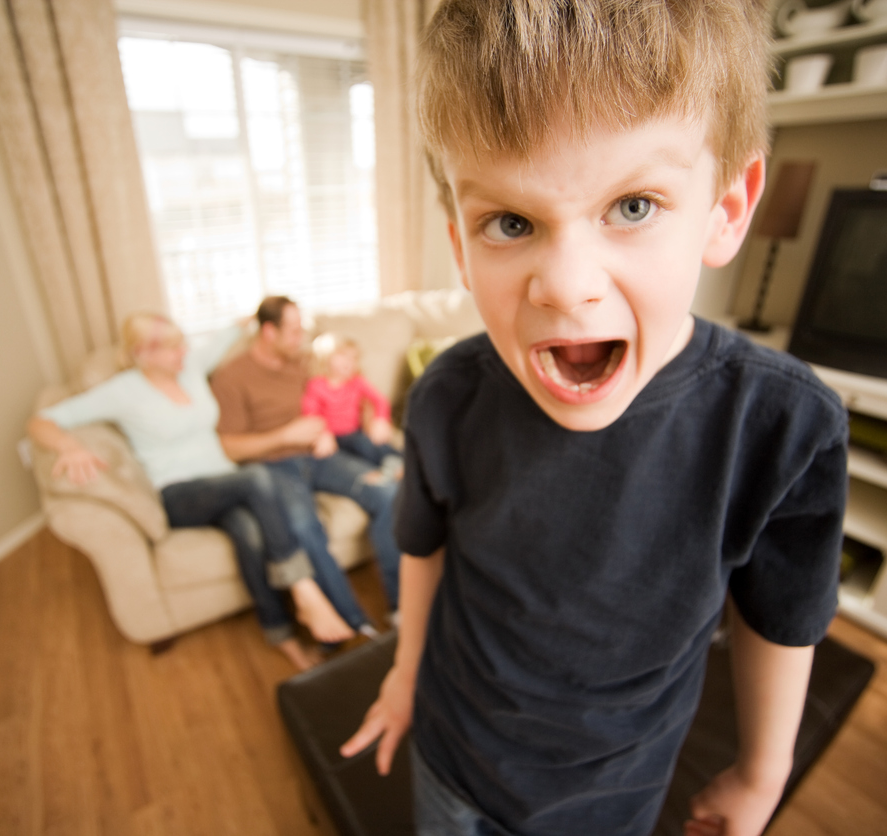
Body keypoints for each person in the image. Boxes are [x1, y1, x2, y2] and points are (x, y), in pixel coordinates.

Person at [339, 2, 849, 836]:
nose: (566, 285)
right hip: (450, 755)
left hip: (609, 799)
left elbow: (780, 620)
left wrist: (763, 773)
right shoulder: (448, 397)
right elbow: (422, 547)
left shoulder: (784, 426)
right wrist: (403, 674)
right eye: (511, 223)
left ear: (725, 208)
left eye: (634, 206)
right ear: (461, 247)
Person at [28, 312, 355, 672]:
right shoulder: (123, 391)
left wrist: (249, 320)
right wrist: (69, 447)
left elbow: (227, 335)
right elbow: (43, 420)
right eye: (171, 348)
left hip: (223, 484)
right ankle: (305, 590)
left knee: (249, 533)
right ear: (142, 353)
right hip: (180, 494)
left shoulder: (190, 366)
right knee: (258, 478)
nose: (183, 351)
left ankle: (284, 637)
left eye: (182, 342)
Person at [210, 297, 403, 634]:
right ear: (269, 332)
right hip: (275, 467)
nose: (302, 338)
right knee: (304, 529)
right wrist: (285, 434)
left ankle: (401, 607)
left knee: (388, 492)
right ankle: (352, 621)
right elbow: (230, 447)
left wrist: (373, 418)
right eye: (294, 331)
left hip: (321, 454)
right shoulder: (232, 377)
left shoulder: (304, 363)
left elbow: (350, 389)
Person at [301, 333, 402, 476]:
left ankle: (401, 461)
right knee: (358, 448)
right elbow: (311, 413)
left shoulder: (357, 382)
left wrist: (381, 419)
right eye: (342, 355)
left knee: (372, 443)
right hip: (333, 438)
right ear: (326, 356)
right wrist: (322, 434)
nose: (349, 361)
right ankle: (390, 466)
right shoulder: (316, 385)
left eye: (354, 358)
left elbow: (380, 400)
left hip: (355, 432)